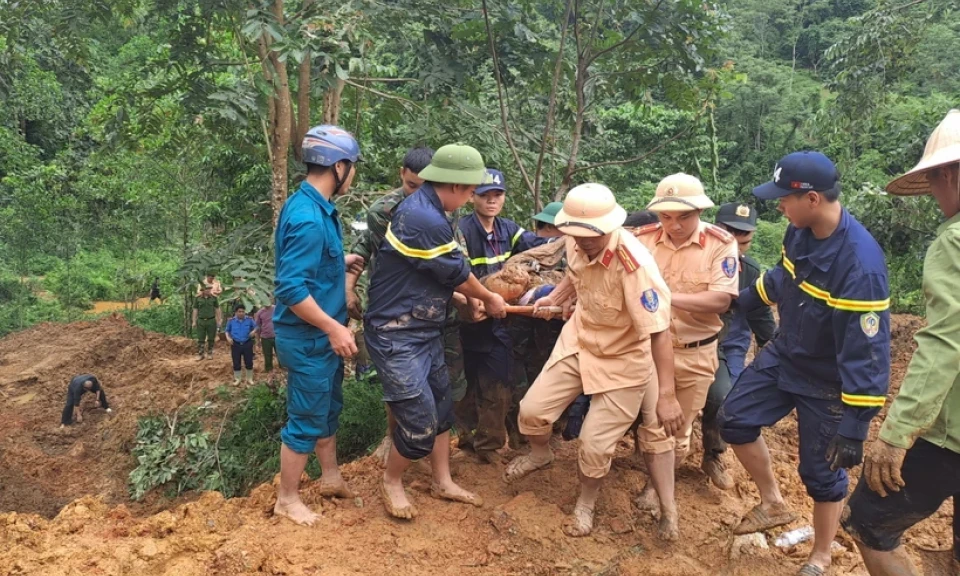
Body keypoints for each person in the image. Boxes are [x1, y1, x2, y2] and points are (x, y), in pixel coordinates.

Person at [718, 151, 891, 576]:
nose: (779, 206)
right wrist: (743, 301)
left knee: (822, 471)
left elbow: (867, 353)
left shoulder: (860, 266)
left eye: (784, 199)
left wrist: (856, 425)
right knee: (734, 419)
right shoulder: (799, 231)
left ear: (812, 199)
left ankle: (821, 554)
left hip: (829, 382)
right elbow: (783, 276)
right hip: (786, 353)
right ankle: (773, 502)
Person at [503, 183, 678, 537]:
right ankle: (541, 454)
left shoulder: (635, 266)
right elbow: (576, 273)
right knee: (532, 411)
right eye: (576, 236)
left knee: (594, 444)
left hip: (624, 356)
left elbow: (659, 331)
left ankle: (586, 502)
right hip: (580, 339)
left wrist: (668, 395)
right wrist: (555, 297)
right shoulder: (575, 237)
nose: (582, 242)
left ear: (611, 227)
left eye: (591, 237)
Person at [842, 109, 960, 576]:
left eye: (933, 180)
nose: (933, 193)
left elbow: (945, 342)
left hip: (949, 434)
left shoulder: (954, 242)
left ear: (948, 173)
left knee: (868, 521)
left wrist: (896, 433)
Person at [364, 143, 507, 520]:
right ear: (459, 188)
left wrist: (466, 298)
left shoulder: (433, 210)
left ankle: (441, 479)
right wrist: (489, 298)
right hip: (396, 331)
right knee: (420, 418)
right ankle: (392, 480)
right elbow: (457, 272)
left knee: (442, 407)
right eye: (472, 190)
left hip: (423, 326)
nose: (473, 196)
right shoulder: (422, 217)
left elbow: (445, 272)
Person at [343, 147, 473, 466]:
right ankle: (396, 440)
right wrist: (349, 289)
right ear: (402, 174)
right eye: (414, 184)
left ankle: (439, 451)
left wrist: (465, 296)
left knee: (445, 387)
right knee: (403, 387)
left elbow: (455, 257)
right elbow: (362, 253)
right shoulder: (383, 211)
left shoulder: (447, 208)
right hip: (399, 315)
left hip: (440, 313)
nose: (420, 190)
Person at [633, 174, 739, 539]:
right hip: (648, 350)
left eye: (684, 217)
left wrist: (663, 296)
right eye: (666, 217)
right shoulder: (641, 240)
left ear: (700, 211)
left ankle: (662, 484)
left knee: (680, 426)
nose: (674, 225)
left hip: (696, 352)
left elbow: (720, 300)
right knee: (653, 422)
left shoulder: (720, 244)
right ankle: (658, 490)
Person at [272, 124, 365, 526]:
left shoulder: (312, 205)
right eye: (354, 167)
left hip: (318, 336)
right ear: (339, 166)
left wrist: (336, 262)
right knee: (307, 417)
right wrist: (332, 327)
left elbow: (307, 265)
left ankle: (330, 477)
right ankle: (287, 498)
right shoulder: (310, 217)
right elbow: (291, 288)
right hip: (309, 338)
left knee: (327, 409)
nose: (354, 174)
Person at [457, 168, 547, 463]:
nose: (492, 201)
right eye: (485, 195)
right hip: (465, 318)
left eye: (497, 195)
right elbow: (455, 272)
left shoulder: (509, 230)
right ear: (473, 198)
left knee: (499, 381)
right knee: (464, 383)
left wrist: (566, 238)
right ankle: (467, 439)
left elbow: (539, 246)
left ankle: (489, 445)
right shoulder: (462, 230)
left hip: (499, 320)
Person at [563, 210, 660, 442]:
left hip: (648, 343)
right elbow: (580, 278)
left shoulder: (642, 260)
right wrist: (563, 297)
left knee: (652, 413)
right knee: (591, 392)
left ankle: (642, 450)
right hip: (610, 341)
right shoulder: (594, 250)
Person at [700, 203, 777, 490]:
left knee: (723, 396)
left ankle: (713, 454)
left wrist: (773, 345)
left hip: (729, 343)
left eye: (744, 241)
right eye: (728, 236)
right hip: (688, 337)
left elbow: (760, 313)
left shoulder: (750, 270)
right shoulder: (694, 259)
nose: (735, 247)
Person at [225, 303, 258, 384]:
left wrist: (253, 331)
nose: (241, 313)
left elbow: (257, 326)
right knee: (236, 362)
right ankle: (237, 379)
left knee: (249, 361)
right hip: (235, 344)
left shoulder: (249, 320)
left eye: (243, 311)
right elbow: (226, 330)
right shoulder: (231, 321)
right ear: (236, 312)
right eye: (239, 311)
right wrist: (228, 338)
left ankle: (249, 378)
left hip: (247, 343)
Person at [192, 286, 222, 360]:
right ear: (203, 290)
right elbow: (195, 310)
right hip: (201, 320)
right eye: (207, 289)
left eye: (209, 289)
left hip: (211, 320)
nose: (208, 291)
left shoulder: (214, 298)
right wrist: (194, 321)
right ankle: (200, 353)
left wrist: (219, 320)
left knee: (211, 337)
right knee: (200, 337)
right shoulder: (198, 298)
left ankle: (209, 353)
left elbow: (217, 309)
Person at [255, 297, 280, 374]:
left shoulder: (277, 309)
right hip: (265, 338)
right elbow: (257, 327)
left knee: (281, 353)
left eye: (269, 299)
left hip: (277, 336)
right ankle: (269, 370)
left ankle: (283, 368)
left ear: (272, 299)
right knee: (267, 355)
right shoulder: (260, 312)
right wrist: (257, 341)